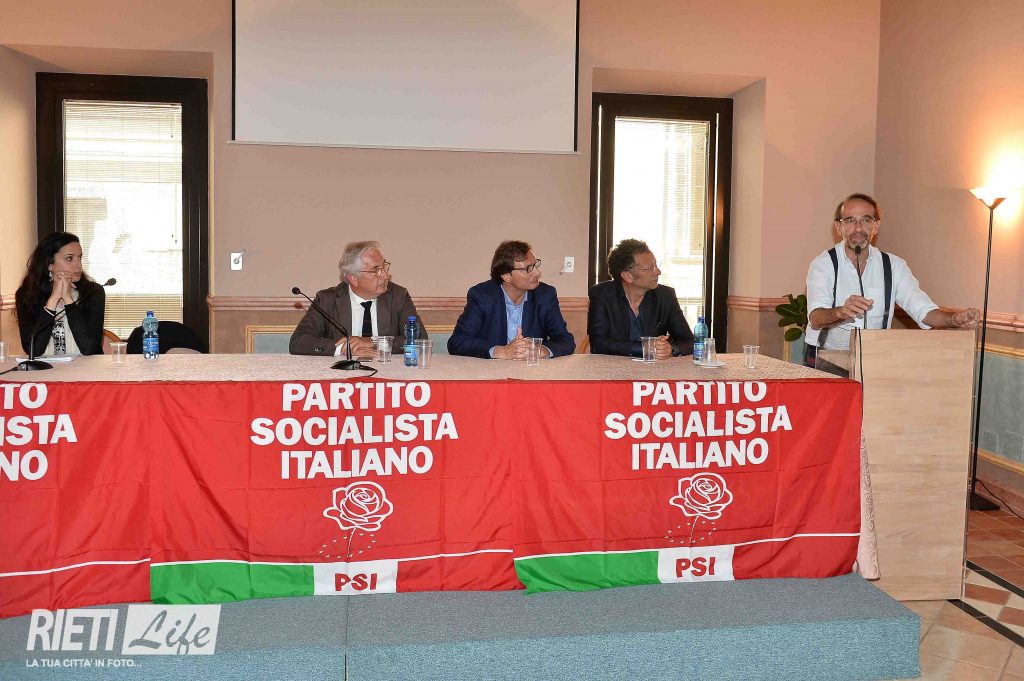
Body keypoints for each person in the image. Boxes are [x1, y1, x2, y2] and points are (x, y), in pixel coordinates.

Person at [806, 193, 980, 359]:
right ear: (839, 227)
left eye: (866, 220)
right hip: (825, 358)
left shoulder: (893, 266)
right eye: (850, 220)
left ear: (876, 226)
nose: (858, 228)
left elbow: (924, 311)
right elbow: (816, 318)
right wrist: (841, 312)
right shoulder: (823, 264)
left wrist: (953, 319)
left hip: (874, 359)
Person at [289, 241, 425, 356]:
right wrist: (345, 348)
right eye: (376, 270)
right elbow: (298, 342)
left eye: (384, 267)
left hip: (387, 369)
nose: (385, 275)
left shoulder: (398, 296)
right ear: (353, 278)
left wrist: (373, 342)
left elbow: (420, 339)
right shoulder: (327, 300)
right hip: (342, 374)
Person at [448, 240, 575, 359]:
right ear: (506, 276)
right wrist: (500, 351)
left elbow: (565, 340)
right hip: (491, 371)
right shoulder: (482, 296)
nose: (537, 273)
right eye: (528, 268)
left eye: (535, 265)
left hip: (531, 371)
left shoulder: (544, 295)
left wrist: (542, 350)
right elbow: (457, 342)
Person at [587, 239, 694, 358]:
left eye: (656, 266)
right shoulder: (602, 294)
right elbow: (598, 344)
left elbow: (689, 341)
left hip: (654, 367)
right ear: (628, 276)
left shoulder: (665, 295)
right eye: (649, 269)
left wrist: (670, 349)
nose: (658, 272)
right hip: (614, 366)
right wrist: (645, 348)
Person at [14, 232, 105, 356]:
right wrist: (53, 300)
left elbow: (90, 349)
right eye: (69, 258)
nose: (79, 265)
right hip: (46, 367)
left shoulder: (93, 292)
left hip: (86, 366)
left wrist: (68, 299)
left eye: (79, 258)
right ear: (50, 264)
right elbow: (33, 351)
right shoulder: (26, 295)